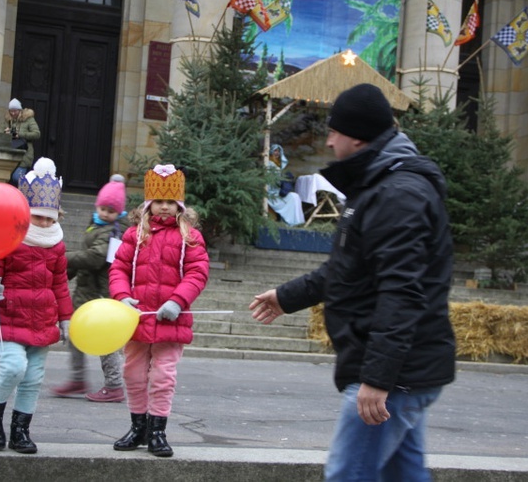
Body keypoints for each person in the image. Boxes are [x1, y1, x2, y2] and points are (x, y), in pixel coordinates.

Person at [249, 83, 456, 481]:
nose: (328, 139)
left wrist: (379, 379)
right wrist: (286, 297)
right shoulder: (377, 185)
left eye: (334, 131)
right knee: (404, 475)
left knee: (348, 474)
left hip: (397, 376)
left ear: (357, 137)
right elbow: (347, 270)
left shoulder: (397, 193)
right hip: (403, 371)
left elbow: (401, 291)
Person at [109, 164, 209, 458]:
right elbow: (119, 268)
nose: (164, 207)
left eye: (169, 202)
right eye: (159, 202)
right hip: (138, 319)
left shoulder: (189, 237)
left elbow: (197, 273)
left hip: (170, 319)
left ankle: (157, 431)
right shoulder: (133, 235)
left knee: (163, 375)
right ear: (149, 204)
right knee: (134, 373)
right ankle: (138, 426)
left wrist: (178, 301)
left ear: (178, 205)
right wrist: (122, 296)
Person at [0, 157, 73, 454]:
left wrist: (65, 318)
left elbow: (59, 284)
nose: (43, 223)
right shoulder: (8, 238)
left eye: (49, 218)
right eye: (37, 217)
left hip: (42, 321)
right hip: (8, 318)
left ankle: (21, 430)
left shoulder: (56, 245)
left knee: (33, 378)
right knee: (13, 367)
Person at [51, 174, 128, 402]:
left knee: (106, 339)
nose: (105, 213)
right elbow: (85, 260)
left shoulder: (115, 231)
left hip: (103, 294)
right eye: (103, 208)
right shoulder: (96, 224)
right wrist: (65, 275)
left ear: (119, 212)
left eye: (110, 210)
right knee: (74, 333)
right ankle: (77, 379)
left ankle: (114, 385)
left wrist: (62, 259)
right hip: (86, 291)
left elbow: (96, 258)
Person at [3, 98, 41, 187]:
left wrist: (19, 134)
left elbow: (36, 134)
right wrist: (6, 132)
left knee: (17, 178)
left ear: (19, 110)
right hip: (11, 153)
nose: (13, 113)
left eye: (15, 111)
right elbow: (1, 132)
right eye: (11, 111)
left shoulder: (28, 119)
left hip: (24, 155)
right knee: (7, 179)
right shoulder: (8, 120)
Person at [266, 144, 305, 227]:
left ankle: (296, 222)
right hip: (271, 194)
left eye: (278, 151)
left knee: (295, 197)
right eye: (275, 151)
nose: (277, 153)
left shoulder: (278, 165)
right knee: (293, 198)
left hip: (278, 192)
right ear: (271, 152)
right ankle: (290, 221)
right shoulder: (268, 164)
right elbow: (270, 181)